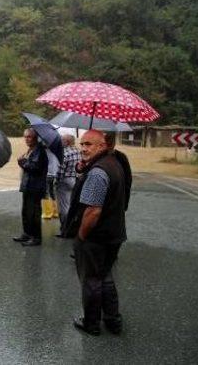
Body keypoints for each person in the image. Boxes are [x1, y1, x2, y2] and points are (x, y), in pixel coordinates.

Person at [69, 130, 127, 336]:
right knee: (105, 276)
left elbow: (93, 210)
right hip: (114, 233)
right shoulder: (114, 162)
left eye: (89, 144)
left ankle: (91, 323)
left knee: (92, 279)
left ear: (102, 146)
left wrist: (82, 236)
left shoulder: (98, 172)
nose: (83, 148)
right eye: (82, 144)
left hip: (96, 237)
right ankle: (113, 320)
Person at [13, 128, 48, 246]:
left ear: (35, 138)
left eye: (29, 137)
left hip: (36, 187)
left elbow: (35, 168)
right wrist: (23, 161)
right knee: (26, 212)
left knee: (34, 213)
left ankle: (36, 237)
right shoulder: (31, 149)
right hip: (28, 186)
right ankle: (27, 233)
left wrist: (22, 162)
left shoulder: (40, 150)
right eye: (25, 137)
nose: (26, 139)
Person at [56, 134, 81, 237]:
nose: (61, 142)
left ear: (67, 142)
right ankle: (73, 227)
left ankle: (65, 229)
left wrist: (57, 181)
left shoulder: (64, 153)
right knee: (72, 204)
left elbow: (60, 170)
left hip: (65, 180)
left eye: (62, 140)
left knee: (63, 207)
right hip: (75, 179)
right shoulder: (78, 151)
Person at [105, 133, 132, 211]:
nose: (110, 143)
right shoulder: (98, 155)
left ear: (114, 142)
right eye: (107, 140)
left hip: (117, 194)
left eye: (112, 141)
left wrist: (125, 201)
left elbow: (128, 179)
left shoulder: (121, 157)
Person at [42, 147, 60, 219]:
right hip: (55, 174)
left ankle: (47, 213)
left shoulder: (44, 152)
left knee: (45, 193)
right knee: (53, 193)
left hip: (46, 174)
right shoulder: (56, 151)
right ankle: (56, 212)